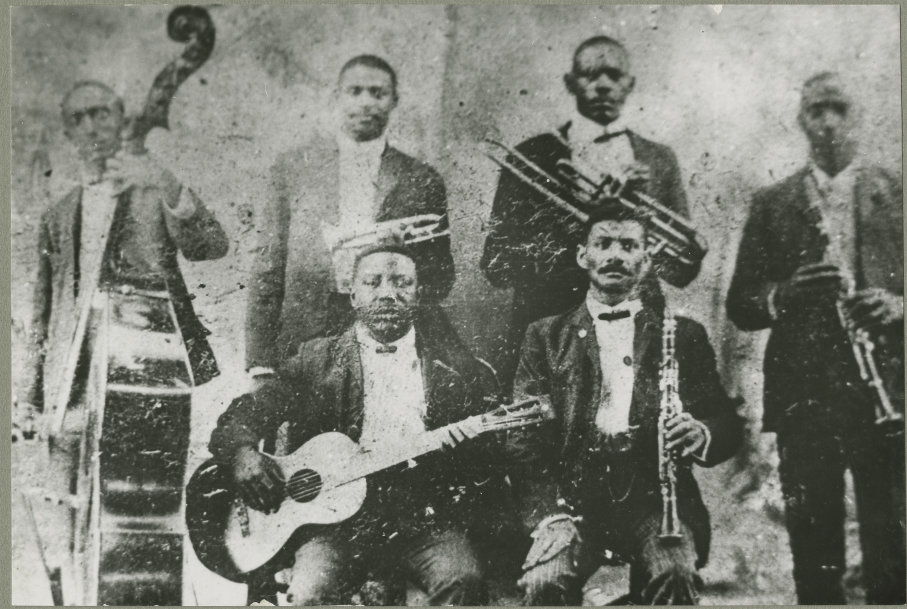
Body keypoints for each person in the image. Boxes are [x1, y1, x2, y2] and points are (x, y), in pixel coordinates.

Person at [16, 79, 228, 576]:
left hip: (142, 374)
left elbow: (212, 246)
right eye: (80, 117)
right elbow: (42, 313)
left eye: (103, 113)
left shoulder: (153, 190)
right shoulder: (58, 212)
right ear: (69, 131)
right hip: (72, 382)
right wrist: (27, 396)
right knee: (65, 518)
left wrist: (167, 182)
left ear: (122, 118)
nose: (93, 125)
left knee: (139, 512)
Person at [212, 243, 497, 606]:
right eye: (373, 282)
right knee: (309, 594)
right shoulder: (315, 359)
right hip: (334, 527)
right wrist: (242, 454)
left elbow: (481, 463)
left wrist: (462, 451)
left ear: (419, 294)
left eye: (402, 283)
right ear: (352, 294)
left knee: (463, 579)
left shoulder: (450, 370)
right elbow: (250, 410)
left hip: (420, 521)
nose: (388, 295)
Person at [506, 201, 742, 605]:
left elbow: (726, 422)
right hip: (573, 503)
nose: (615, 255)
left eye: (629, 246)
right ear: (583, 255)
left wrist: (700, 432)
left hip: (655, 503)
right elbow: (522, 439)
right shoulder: (544, 335)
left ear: (648, 260)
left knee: (674, 574)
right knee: (543, 584)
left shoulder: (683, 335)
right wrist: (550, 514)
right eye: (603, 244)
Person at [727, 72, 905, 604]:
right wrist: (785, 295)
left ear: (858, 116)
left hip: (888, 388)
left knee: (892, 538)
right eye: (815, 111)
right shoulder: (772, 202)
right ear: (800, 120)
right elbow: (741, 303)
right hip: (807, 396)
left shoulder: (898, 194)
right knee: (814, 541)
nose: (827, 122)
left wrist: (899, 306)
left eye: (838, 109)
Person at [481, 35, 698, 390]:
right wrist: (586, 214)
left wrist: (637, 213)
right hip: (550, 328)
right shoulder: (531, 156)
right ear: (570, 82)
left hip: (638, 328)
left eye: (613, 75)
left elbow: (682, 270)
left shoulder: (659, 160)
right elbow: (497, 266)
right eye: (589, 74)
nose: (602, 86)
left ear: (630, 84)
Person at [245, 54, 456, 385]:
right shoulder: (292, 169)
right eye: (354, 91)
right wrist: (259, 361)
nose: (366, 103)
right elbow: (267, 269)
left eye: (378, 93)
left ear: (394, 100)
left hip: (388, 335)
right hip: (306, 336)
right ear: (335, 97)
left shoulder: (423, 178)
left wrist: (402, 258)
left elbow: (442, 280)